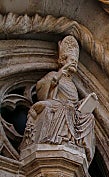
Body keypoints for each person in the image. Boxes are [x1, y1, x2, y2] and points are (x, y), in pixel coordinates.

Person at [21, 35, 96, 163]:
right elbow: (42, 90)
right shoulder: (54, 75)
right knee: (63, 108)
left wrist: (85, 103)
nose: (74, 63)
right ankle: (56, 139)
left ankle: (81, 147)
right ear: (63, 60)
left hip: (71, 112)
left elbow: (73, 103)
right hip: (55, 106)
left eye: (75, 62)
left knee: (89, 117)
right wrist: (60, 73)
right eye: (71, 60)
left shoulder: (72, 85)